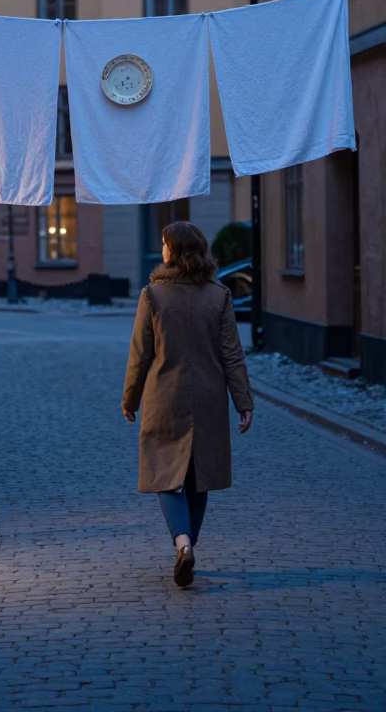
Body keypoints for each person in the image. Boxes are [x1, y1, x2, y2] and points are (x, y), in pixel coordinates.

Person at [122, 220, 253, 588]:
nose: (162, 249)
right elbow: (232, 355)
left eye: (165, 243)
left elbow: (140, 356)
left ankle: (182, 544)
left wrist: (130, 398)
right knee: (199, 478)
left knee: (166, 473)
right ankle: (189, 545)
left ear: (174, 251)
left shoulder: (153, 296)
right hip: (210, 399)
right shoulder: (219, 295)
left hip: (165, 398)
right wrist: (244, 402)